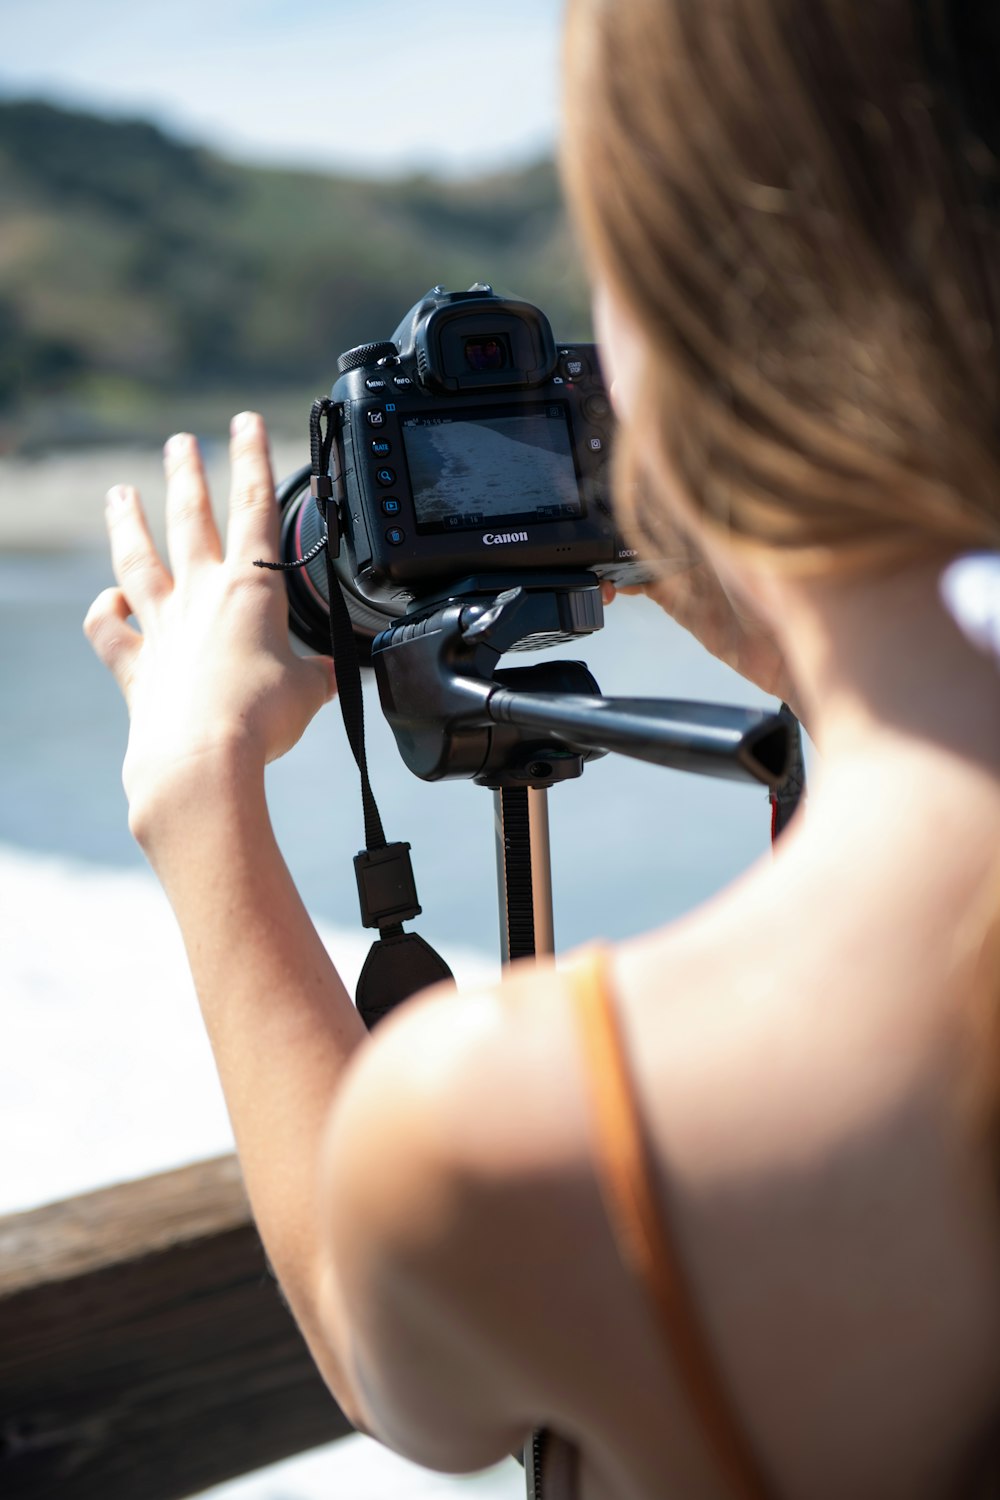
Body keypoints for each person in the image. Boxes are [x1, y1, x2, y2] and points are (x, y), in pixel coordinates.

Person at [84, 0, 1000, 1494]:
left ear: (681, 327)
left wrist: (199, 786)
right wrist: (807, 648)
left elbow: (382, 1359)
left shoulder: (538, 1122)